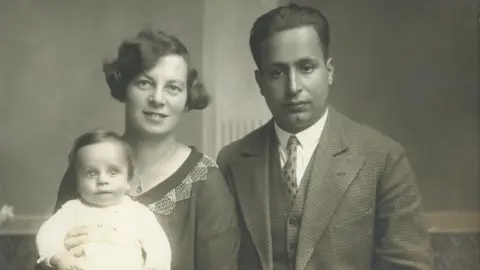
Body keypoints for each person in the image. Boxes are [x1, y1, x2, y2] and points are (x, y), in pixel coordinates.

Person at [217, 3, 433, 270]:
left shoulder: (383, 158)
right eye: (277, 73)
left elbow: (409, 265)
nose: (293, 87)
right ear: (260, 82)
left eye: (306, 68)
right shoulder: (232, 161)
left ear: (329, 71)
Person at [41, 28, 240, 270]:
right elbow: (49, 251)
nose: (158, 98)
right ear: (124, 87)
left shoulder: (207, 183)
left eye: (173, 87)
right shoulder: (87, 167)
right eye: (145, 83)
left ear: (187, 99)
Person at [36, 129, 171, 270]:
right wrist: (59, 257)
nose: (102, 180)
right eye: (91, 173)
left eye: (113, 172)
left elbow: (159, 246)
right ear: (78, 182)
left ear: (129, 179)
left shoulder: (139, 213)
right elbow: (47, 234)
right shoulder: (72, 210)